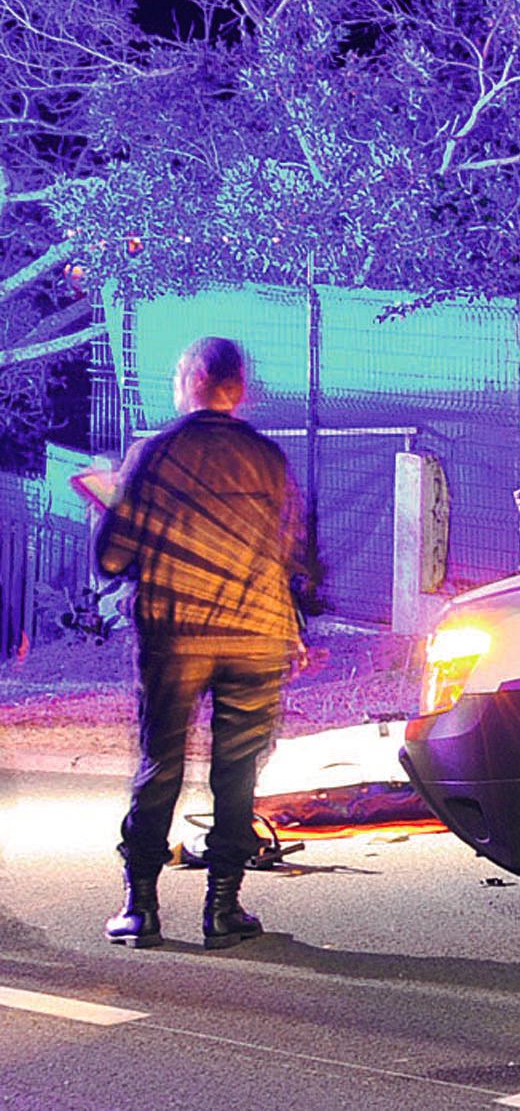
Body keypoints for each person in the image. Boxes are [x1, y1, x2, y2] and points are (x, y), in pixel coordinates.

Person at [97, 337, 303, 950]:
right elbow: (294, 551)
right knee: (236, 772)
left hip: (178, 632)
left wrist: (108, 509)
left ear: (189, 379)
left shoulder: (154, 455)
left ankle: (140, 908)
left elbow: (111, 558)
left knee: (161, 761)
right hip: (255, 634)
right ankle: (223, 908)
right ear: (237, 386)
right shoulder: (269, 459)